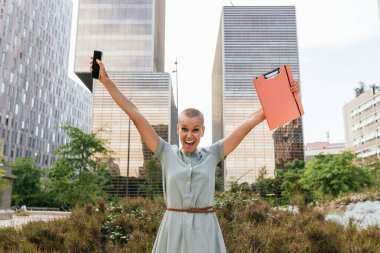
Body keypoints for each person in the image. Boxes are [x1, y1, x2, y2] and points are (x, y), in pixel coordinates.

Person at [89, 57, 300, 252]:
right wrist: (107, 82)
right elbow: (135, 115)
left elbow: (248, 123)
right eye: (184, 129)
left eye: (196, 129)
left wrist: (283, 95)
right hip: (173, 232)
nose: (189, 135)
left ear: (202, 132)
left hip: (205, 233)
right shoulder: (166, 152)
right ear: (178, 130)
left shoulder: (213, 153)